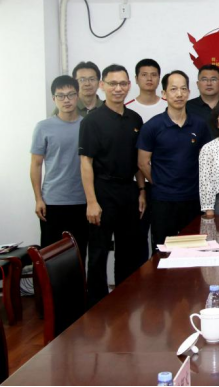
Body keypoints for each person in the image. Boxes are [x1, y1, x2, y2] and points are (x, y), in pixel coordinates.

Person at [79, 64, 146, 306]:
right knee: (98, 251)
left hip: (128, 190)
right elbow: (86, 162)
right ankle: (97, 304)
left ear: (129, 85)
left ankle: (123, 301)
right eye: (112, 83)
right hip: (102, 191)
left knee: (128, 250)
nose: (118, 88)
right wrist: (91, 202)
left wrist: (141, 190)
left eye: (122, 84)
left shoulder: (135, 119)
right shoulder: (92, 121)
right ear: (102, 86)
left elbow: (138, 161)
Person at [137, 71, 210, 248]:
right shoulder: (152, 126)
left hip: (193, 198)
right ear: (164, 94)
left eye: (183, 89)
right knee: (163, 249)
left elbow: (207, 159)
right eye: (173, 89)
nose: (179, 94)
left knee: (194, 248)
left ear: (189, 93)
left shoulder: (199, 124)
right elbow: (142, 163)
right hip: (163, 200)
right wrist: (160, 182)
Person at [31, 76, 88, 262]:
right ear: (53, 98)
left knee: (79, 256)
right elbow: (36, 164)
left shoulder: (87, 126)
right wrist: (38, 198)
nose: (66, 100)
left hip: (82, 201)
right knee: (51, 258)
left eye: (71, 94)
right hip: (53, 202)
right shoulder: (43, 127)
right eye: (61, 96)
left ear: (77, 96)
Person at [187, 64, 219, 138]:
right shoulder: (186, 107)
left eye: (214, 79)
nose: (209, 83)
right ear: (198, 84)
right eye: (204, 79)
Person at [126, 59, 166, 123]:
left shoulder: (169, 106)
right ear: (136, 79)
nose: (149, 78)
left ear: (159, 79)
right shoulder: (126, 108)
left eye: (153, 75)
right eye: (144, 75)